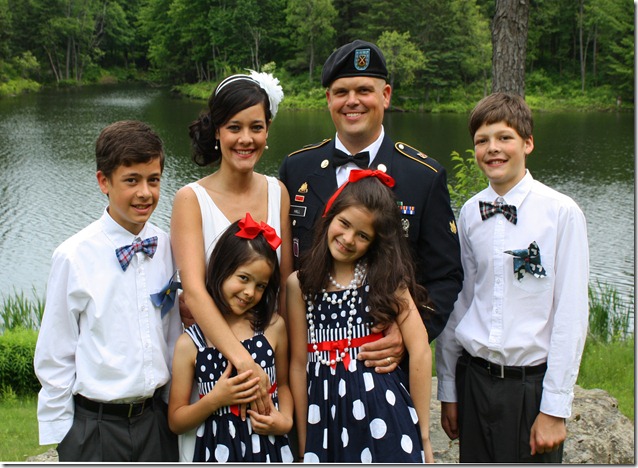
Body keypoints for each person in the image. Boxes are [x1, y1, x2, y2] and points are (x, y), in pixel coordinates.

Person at [279, 39, 463, 373]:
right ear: (328, 99)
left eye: (364, 90)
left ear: (386, 95)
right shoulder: (296, 169)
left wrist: (410, 333)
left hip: (385, 368)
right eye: (341, 92)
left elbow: (446, 275)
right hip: (308, 365)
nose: (352, 101)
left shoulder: (423, 176)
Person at [435, 92, 590, 463]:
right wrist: (449, 390)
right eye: (482, 141)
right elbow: (461, 302)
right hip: (474, 380)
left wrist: (554, 409)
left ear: (528, 143)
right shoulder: (470, 213)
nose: (493, 148)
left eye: (504, 137)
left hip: (529, 389)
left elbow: (571, 314)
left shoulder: (561, 213)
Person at [33, 120, 182, 462]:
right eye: (131, 180)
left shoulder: (166, 246)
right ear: (104, 181)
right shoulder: (73, 256)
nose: (145, 193)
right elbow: (55, 353)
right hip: (95, 428)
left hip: (156, 421)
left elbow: (172, 334)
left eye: (153, 180)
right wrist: (66, 436)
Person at [170, 70, 292, 461]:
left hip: (267, 377)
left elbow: (283, 288)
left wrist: (281, 381)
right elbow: (194, 290)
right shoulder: (191, 199)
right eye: (234, 127)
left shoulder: (277, 192)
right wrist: (244, 362)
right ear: (217, 131)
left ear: (267, 130)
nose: (245, 139)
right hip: (212, 375)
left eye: (256, 127)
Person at [287, 170, 434, 463]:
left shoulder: (385, 280)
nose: (348, 239)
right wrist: (304, 444)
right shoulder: (300, 285)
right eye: (344, 223)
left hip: (382, 413)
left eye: (363, 235)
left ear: (375, 242)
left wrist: (424, 436)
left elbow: (420, 350)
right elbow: (298, 365)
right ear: (330, 216)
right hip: (323, 418)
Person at [168, 213, 294, 462]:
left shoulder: (273, 327)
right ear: (222, 269)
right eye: (243, 278)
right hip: (218, 452)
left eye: (260, 285)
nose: (250, 292)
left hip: (268, 450)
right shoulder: (191, 343)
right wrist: (215, 400)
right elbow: (176, 420)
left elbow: (284, 385)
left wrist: (285, 421)